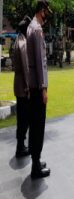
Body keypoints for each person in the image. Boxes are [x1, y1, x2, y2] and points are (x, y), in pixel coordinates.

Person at [27, 0, 51, 178]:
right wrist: (43, 88)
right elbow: (39, 61)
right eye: (46, 12)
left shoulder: (31, 27)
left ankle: (36, 159)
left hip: (32, 85)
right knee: (38, 125)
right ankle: (35, 166)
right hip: (37, 87)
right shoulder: (36, 30)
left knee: (35, 124)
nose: (46, 16)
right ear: (41, 10)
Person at [13, 16, 31, 158]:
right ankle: (20, 147)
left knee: (21, 117)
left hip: (17, 83)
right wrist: (28, 86)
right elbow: (25, 67)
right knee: (24, 118)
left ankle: (20, 145)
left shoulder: (17, 40)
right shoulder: (23, 43)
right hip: (23, 86)